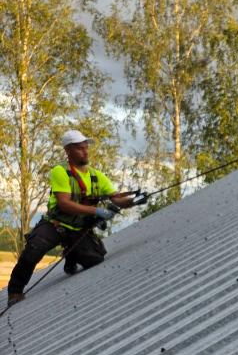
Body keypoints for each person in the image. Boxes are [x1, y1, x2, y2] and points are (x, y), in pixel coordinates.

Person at [6, 130, 147, 306]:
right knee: (33, 251)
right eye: (80, 148)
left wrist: (133, 201)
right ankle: (15, 292)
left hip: (79, 229)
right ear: (68, 150)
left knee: (95, 259)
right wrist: (96, 211)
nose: (85, 151)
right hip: (55, 224)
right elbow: (64, 203)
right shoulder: (61, 171)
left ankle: (71, 255)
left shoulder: (97, 176)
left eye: (86, 147)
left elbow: (116, 198)